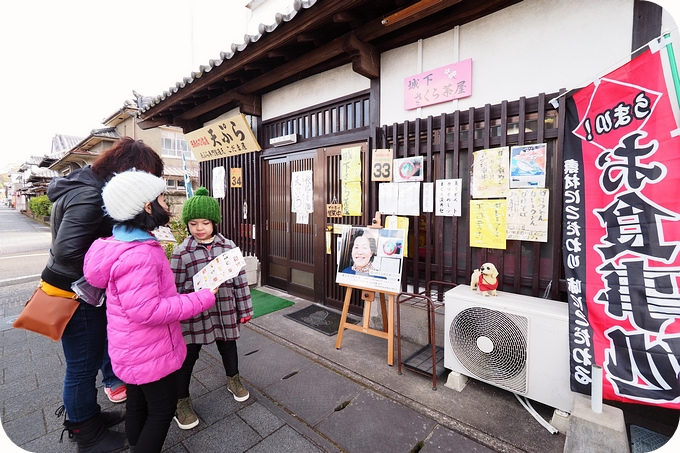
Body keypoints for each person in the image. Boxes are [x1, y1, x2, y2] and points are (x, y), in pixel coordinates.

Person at [42, 137, 163, 452]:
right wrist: (117, 253)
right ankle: (86, 433)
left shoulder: (85, 186)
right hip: (75, 296)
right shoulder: (91, 196)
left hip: (76, 291)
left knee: (89, 359)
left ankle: (89, 415)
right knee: (82, 365)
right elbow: (69, 252)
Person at [83, 170, 217, 453]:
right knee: (162, 409)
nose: (167, 205)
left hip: (132, 348)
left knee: (137, 404)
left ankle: (135, 444)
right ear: (147, 206)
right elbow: (148, 309)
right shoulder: (139, 254)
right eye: (162, 198)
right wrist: (202, 298)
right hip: (148, 350)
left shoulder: (119, 243)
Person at [169, 187, 254, 430]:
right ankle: (181, 401)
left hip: (224, 308)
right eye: (193, 223)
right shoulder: (181, 252)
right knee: (188, 356)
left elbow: (240, 280)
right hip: (194, 313)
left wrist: (245, 308)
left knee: (228, 345)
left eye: (205, 222)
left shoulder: (228, 247)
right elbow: (174, 289)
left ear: (214, 222)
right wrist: (196, 289)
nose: (200, 228)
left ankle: (233, 380)